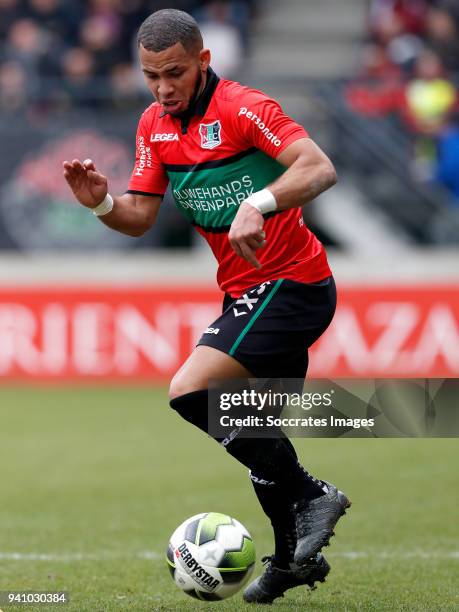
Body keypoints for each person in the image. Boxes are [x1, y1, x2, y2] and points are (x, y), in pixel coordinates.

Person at [63, 8, 351, 604]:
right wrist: (101, 204)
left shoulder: (244, 108)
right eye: (151, 77)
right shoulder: (153, 125)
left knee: (190, 391)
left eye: (174, 73)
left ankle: (312, 494)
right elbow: (140, 218)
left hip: (291, 283)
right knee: (255, 431)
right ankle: (295, 558)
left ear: (204, 61)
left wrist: (261, 202)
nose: (163, 88)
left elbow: (318, 167)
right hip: (246, 290)